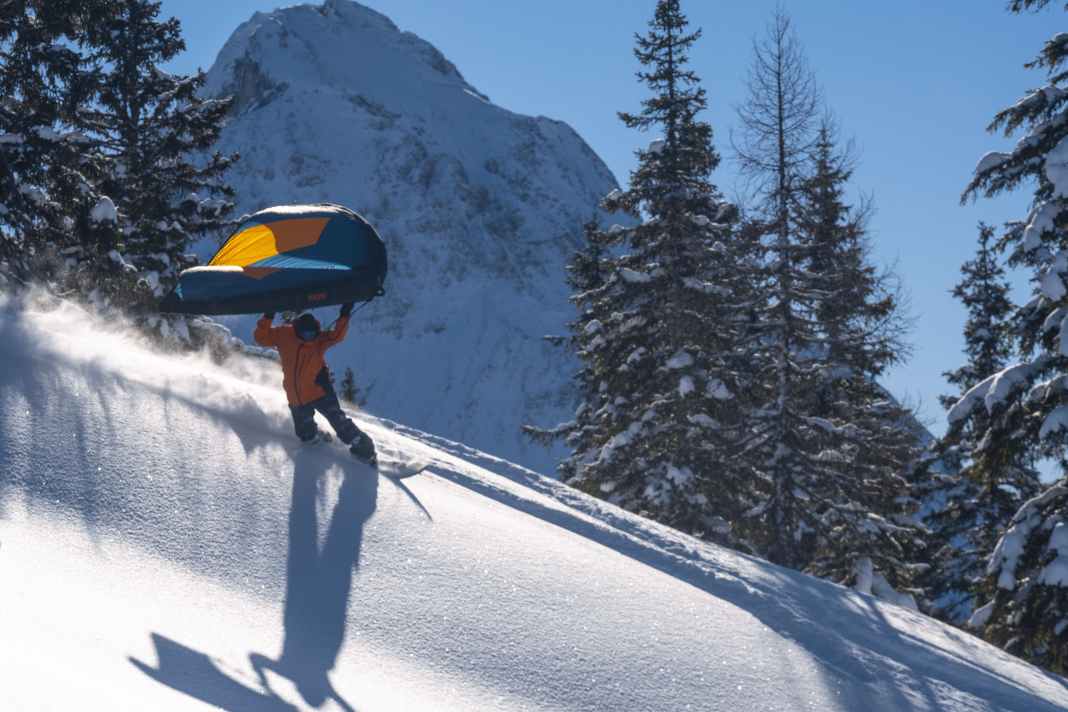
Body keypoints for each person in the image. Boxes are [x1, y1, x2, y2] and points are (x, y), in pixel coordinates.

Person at [254, 302, 376, 464]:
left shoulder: (319, 340)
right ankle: (314, 438)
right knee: (305, 435)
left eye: (312, 333)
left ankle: (364, 448)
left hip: (319, 389)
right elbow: (261, 337)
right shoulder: (284, 335)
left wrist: (345, 314)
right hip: (295, 394)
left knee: (337, 419)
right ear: (297, 330)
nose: (309, 337)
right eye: (306, 334)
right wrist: (268, 316)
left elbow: (337, 335)